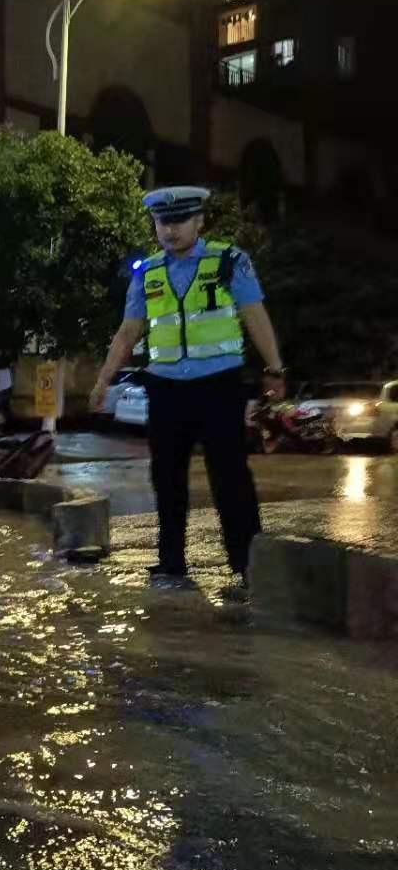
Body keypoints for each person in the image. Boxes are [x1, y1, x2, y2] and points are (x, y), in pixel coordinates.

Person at [89, 186, 285, 586]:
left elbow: (254, 315)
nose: (170, 230)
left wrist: (275, 368)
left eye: (179, 221)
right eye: (163, 222)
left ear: (199, 221)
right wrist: (103, 380)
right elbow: (128, 332)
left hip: (219, 385)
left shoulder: (230, 261)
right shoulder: (148, 273)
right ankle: (171, 563)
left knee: (229, 476)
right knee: (166, 477)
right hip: (165, 389)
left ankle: (247, 564)